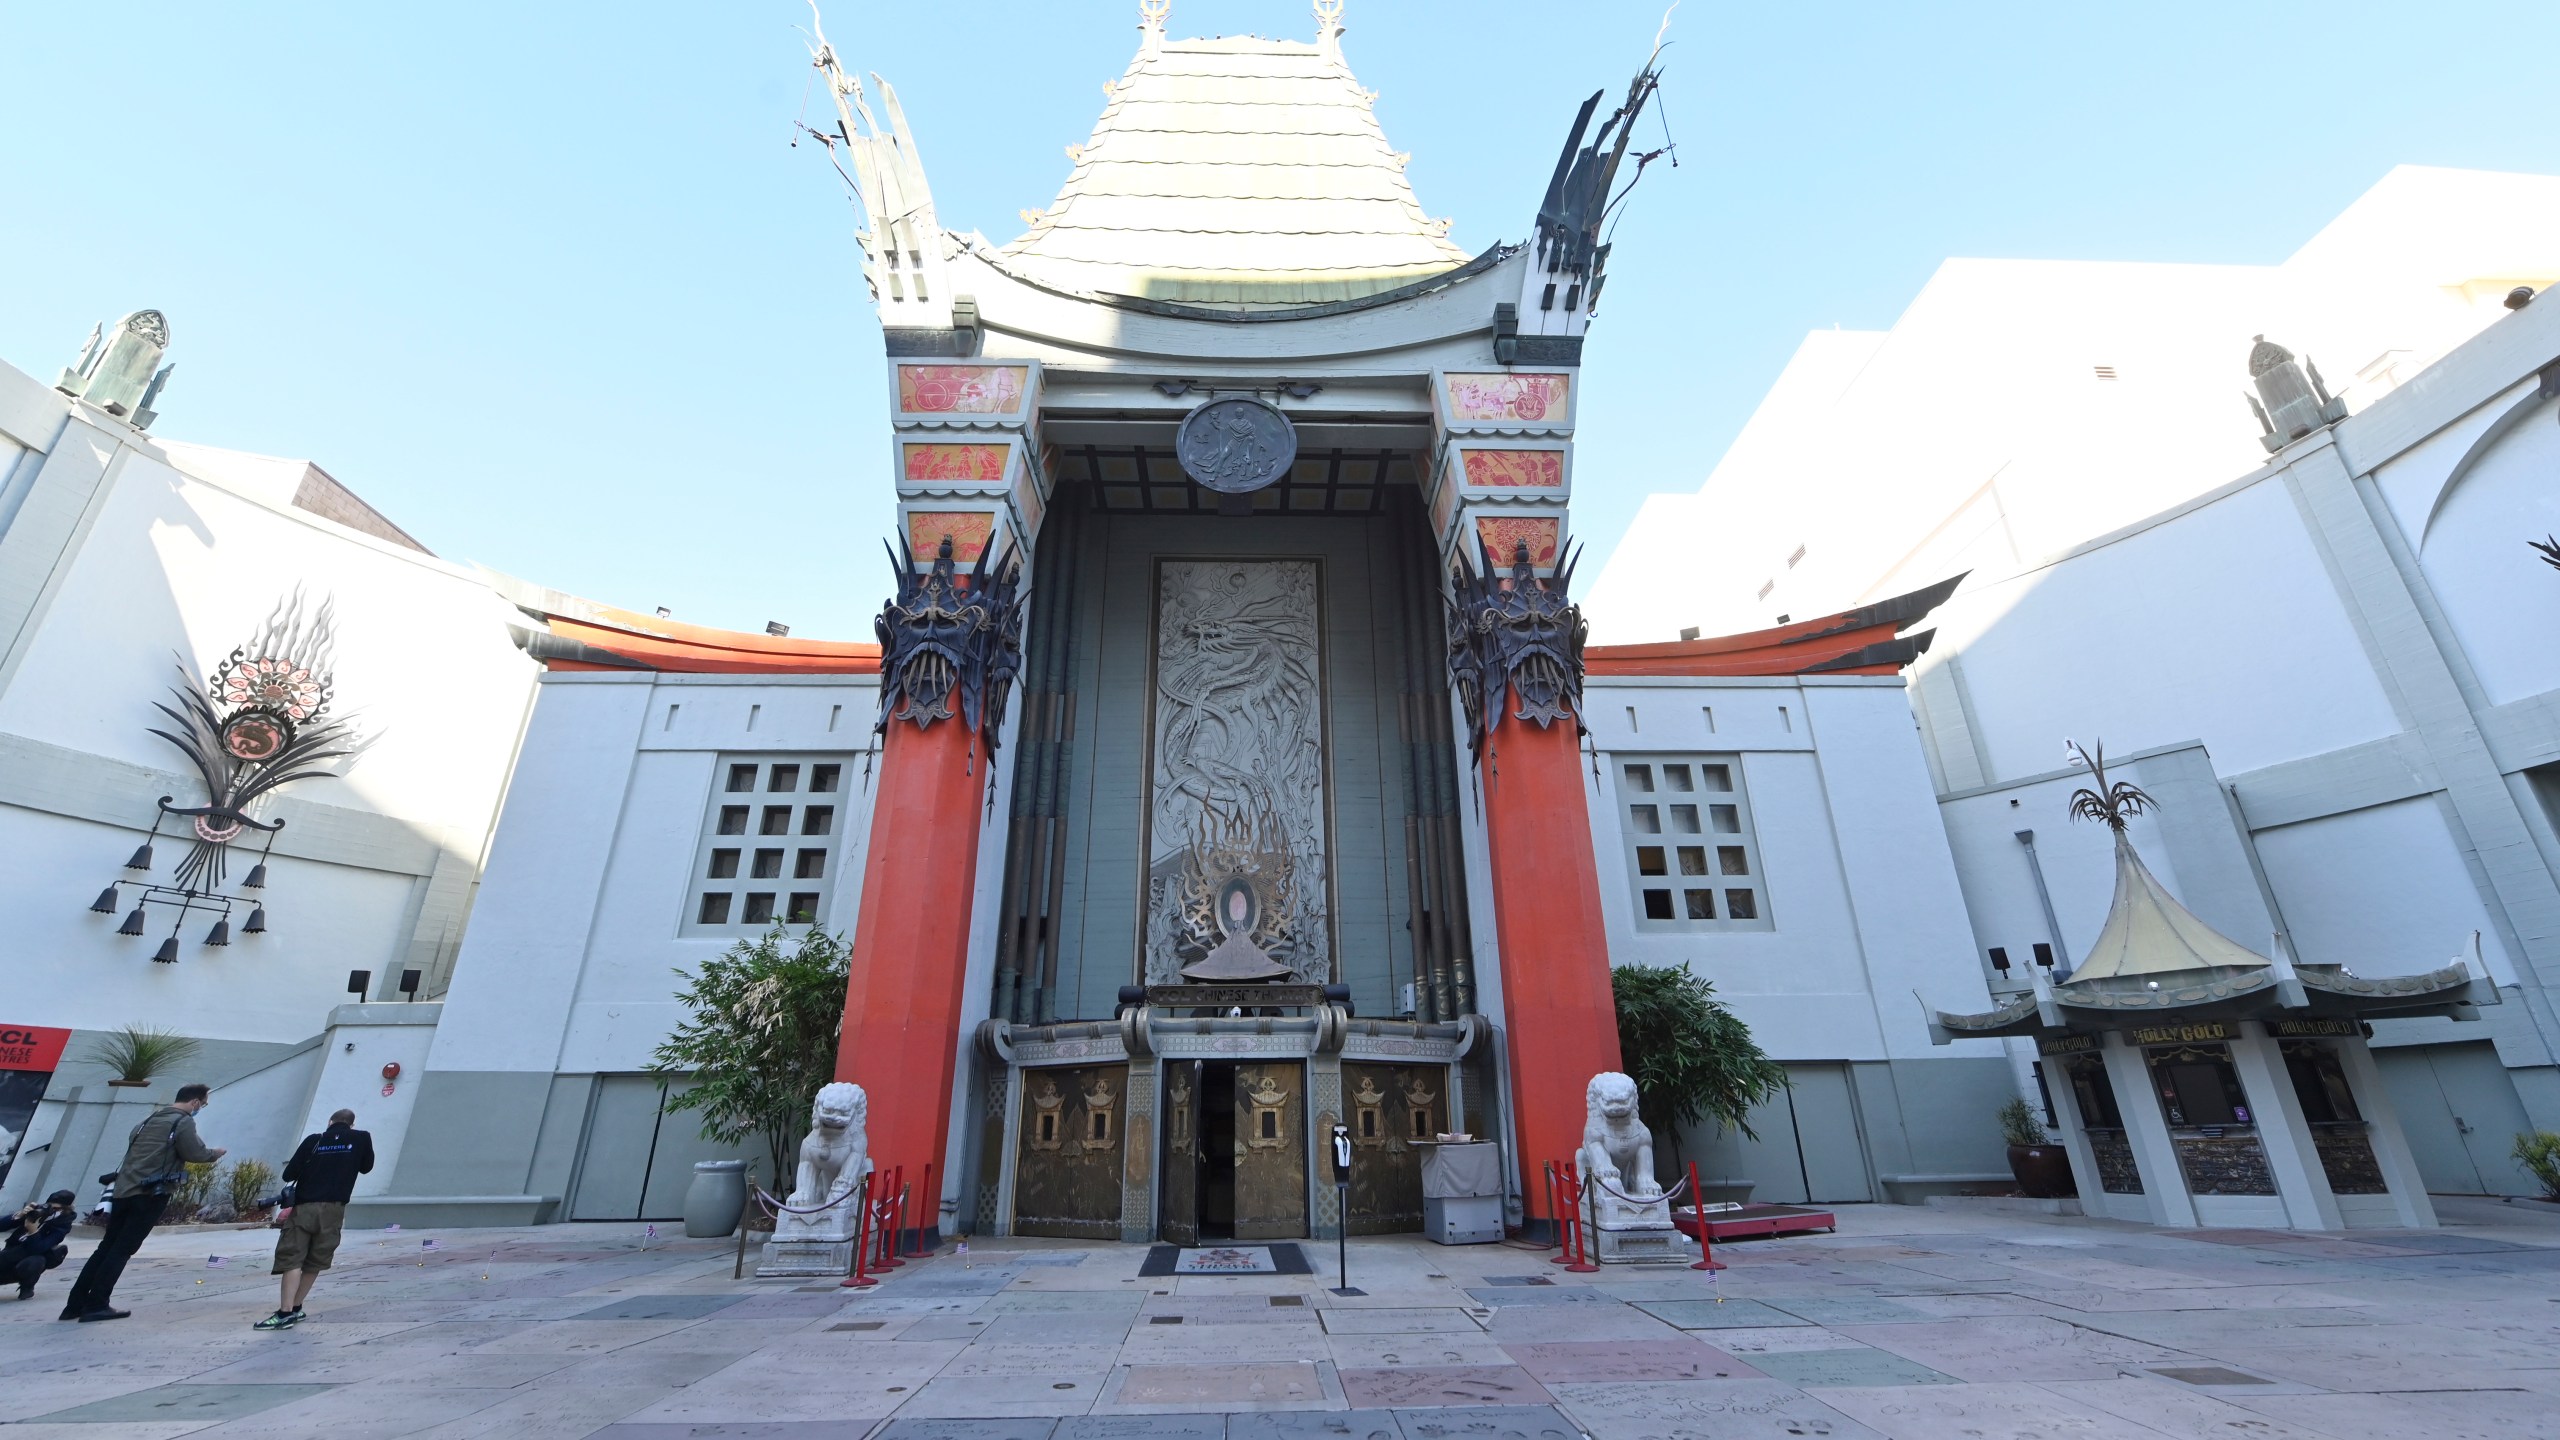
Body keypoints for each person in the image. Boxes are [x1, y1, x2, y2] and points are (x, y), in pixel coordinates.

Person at [59, 1081, 223, 1322]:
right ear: (195, 1102)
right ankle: (97, 1304)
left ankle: (74, 1305)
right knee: (122, 1249)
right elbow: (195, 1152)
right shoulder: (183, 1121)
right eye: (203, 1104)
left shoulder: (148, 1120)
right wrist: (214, 1154)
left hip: (124, 1191)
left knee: (106, 1247)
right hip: (150, 1194)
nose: (201, 1108)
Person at [257, 1108, 373, 1330]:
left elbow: (289, 1174)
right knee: (316, 1260)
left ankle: (284, 1312)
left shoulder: (315, 1140)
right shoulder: (361, 1138)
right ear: (351, 1125)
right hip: (335, 1209)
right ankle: (296, 1307)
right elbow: (366, 1167)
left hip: (305, 1208)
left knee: (292, 1257)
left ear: (330, 1122)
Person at [4, 1190, 78, 1300]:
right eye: (49, 1206)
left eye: (56, 1209)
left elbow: (39, 1248)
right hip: (10, 1253)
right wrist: (19, 1215)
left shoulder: (63, 1225)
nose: (51, 1211)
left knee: (36, 1261)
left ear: (66, 1209)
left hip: (28, 1258)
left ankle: (27, 1286)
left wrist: (33, 1231)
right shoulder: (37, 1212)